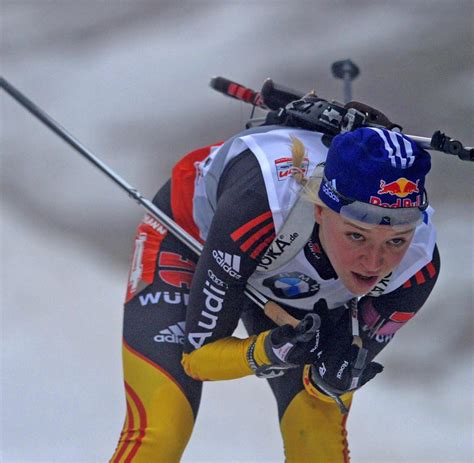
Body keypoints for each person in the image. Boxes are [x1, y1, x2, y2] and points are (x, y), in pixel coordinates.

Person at [110, 122, 440, 462]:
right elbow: (200, 359)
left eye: (396, 240)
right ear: (320, 210)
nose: (374, 261)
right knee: (161, 431)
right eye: (357, 236)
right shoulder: (262, 204)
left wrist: (330, 380)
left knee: (318, 434)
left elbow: (330, 377)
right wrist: (269, 350)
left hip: (280, 272)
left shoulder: (418, 266)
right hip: (190, 239)